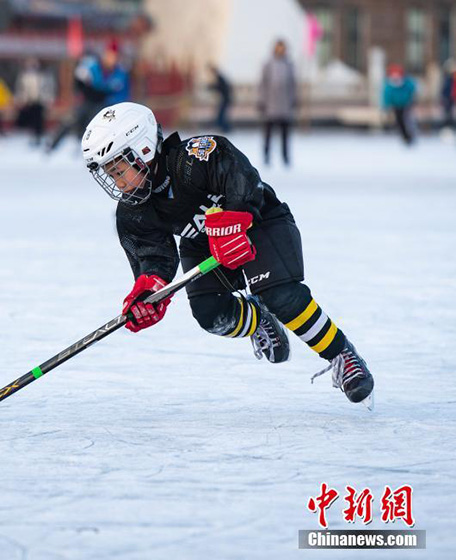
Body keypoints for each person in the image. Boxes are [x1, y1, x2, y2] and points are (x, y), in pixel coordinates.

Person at [80, 102, 374, 406]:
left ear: (142, 150)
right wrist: (149, 292)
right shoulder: (132, 212)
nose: (118, 182)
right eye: (111, 174)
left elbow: (242, 179)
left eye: (119, 170)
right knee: (210, 314)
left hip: (258, 223)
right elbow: (155, 257)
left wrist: (233, 221)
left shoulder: (195, 157)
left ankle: (342, 354)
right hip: (204, 243)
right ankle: (258, 319)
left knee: (281, 296)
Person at [259, 39, 296, 167]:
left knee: (285, 135)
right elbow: (263, 84)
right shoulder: (268, 64)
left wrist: (294, 99)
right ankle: (266, 156)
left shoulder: (289, 65)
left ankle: (285, 157)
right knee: (268, 134)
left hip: (285, 106)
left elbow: (292, 84)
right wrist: (262, 100)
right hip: (270, 105)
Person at [15, 57, 55, 146]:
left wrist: (49, 99)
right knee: (31, 120)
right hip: (30, 101)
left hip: (40, 101)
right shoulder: (24, 76)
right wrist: (22, 99)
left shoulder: (43, 75)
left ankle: (39, 137)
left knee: (39, 120)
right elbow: (21, 89)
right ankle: (33, 137)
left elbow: (48, 88)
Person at [382, 64, 416, 146]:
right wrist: (386, 106)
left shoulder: (407, 83)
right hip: (396, 105)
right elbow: (387, 96)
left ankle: (410, 136)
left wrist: (412, 100)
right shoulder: (389, 86)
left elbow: (412, 90)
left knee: (407, 120)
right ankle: (405, 137)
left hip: (406, 105)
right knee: (399, 121)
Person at [208, 64, 232, 133]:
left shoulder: (220, 78)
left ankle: (226, 129)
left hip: (225, 98)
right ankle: (225, 128)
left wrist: (212, 87)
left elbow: (220, 87)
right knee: (221, 114)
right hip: (225, 98)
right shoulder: (220, 77)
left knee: (221, 115)